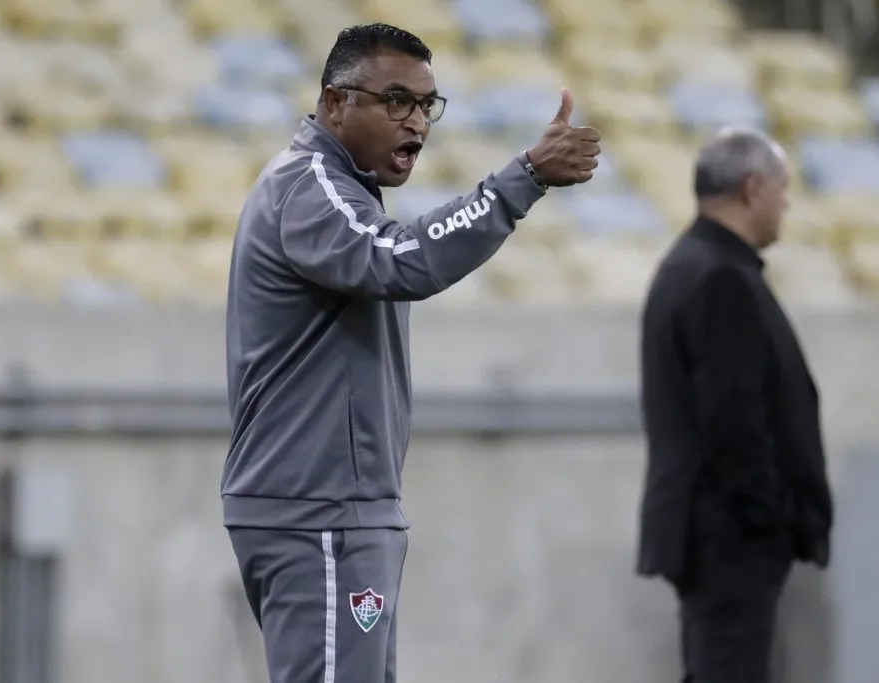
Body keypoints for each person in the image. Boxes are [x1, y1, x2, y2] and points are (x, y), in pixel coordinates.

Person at [221, 21, 601, 683]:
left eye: (427, 105)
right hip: (320, 513)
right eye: (396, 100)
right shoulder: (308, 187)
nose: (417, 122)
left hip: (331, 509)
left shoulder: (333, 190)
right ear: (336, 104)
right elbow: (403, 261)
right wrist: (523, 179)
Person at [635, 126, 835, 683]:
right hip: (730, 535)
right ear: (752, 188)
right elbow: (734, 422)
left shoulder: (694, 266)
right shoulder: (719, 277)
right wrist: (772, 517)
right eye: (782, 189)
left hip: (718, 531)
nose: (786, 204)